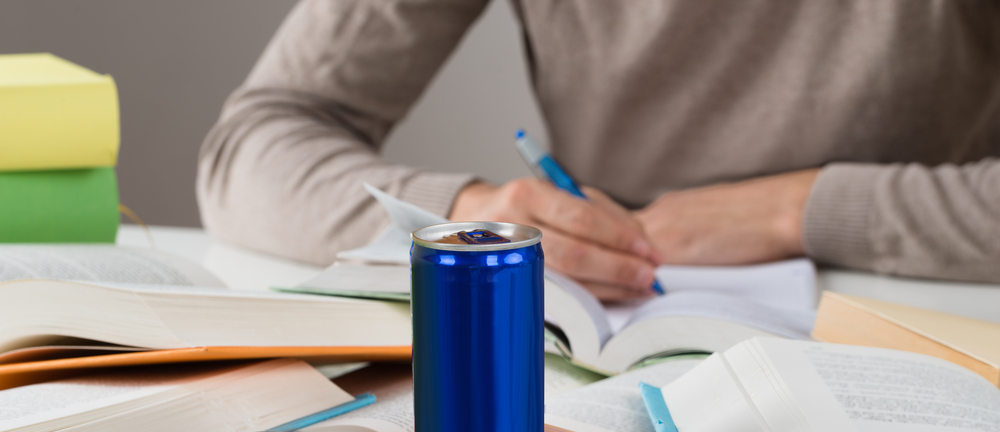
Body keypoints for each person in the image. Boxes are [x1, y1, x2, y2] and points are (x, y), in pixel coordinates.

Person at [197, 0, 1000, 300]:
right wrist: (472, 213)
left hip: (924, 313)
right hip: (613, 322)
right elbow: (252, 146)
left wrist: (802, 208)